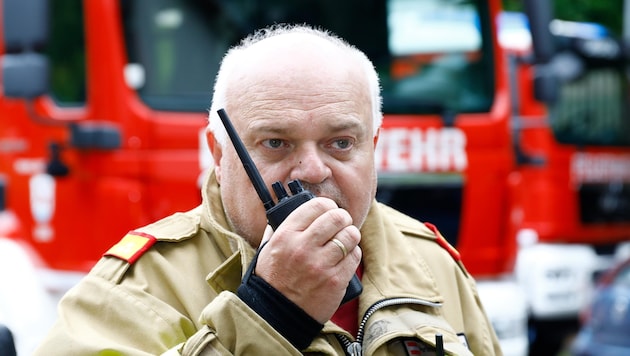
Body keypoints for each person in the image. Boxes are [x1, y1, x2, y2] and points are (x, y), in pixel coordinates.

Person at [35, 24, 502, 355]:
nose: (315, 169)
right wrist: (269, 315)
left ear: (373, 147)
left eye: (342, 143)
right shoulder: (135, 291)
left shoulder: (432, 264)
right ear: (219, 154)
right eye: (276, 143)